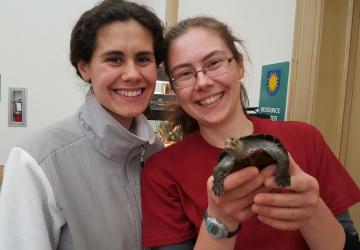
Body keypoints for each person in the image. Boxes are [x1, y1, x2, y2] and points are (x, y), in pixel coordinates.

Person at [141, 16, 360, 250]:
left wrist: (311, 210)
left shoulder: (305, 139)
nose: (202, 82)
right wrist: (220, 221)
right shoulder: (161, 171)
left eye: (214, 63)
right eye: (185, 74)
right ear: (175, 89)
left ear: (240, 65)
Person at [0, 1, 164, 249]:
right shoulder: (37, 160)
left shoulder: (156, 152)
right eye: (114, 59)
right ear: (84, 67)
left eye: (143, 59)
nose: (132, 74)